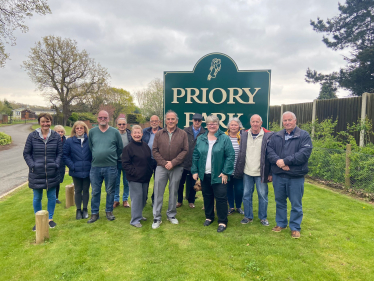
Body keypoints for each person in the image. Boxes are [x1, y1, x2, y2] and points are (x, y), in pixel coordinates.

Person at [267, 111, 313, 239]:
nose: (287, 122)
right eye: (285, 120)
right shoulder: (276, 136)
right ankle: (281, 224)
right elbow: (269, 151)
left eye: (289, 120)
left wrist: (286, 161)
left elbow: (304, 154)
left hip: (295, 177)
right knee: (280, 201)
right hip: (278, 176)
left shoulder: (303, 135)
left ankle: (295, 227)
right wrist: (279, 162)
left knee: (296, 203)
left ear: (295, 121)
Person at [191, 115, 235, 233]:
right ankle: (209, 217)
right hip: (204, 174)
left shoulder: (224, 138)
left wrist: (226, 172)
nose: (212, 125)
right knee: (207, 196)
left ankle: (222, 221)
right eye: (209, 123)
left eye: (214, 123)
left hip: (219, 175)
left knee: (221, 198)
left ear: (218, 124)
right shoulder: (201, 138)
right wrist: (195, 171)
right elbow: (195, 155)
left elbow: (230, 156)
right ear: (206, 125)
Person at [23, 113, 62, 231]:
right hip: (37, 172)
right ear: (39, 122)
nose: (45, 124)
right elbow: (26, 153)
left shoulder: (55, 136)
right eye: (43, 121)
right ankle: (39, 220)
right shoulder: (32, 136)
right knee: (37, 197)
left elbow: (60, 153)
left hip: (52, 171)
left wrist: (56, 164)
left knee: (51, 196)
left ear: (51, 122)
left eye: (48, 121)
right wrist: (32, 165)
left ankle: (50, 219)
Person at [234, 114, 274, 226]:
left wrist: (270, 172)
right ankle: (248, 216)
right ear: (250, 123)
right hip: (247, 171)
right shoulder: (245, 135)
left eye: (257, 122)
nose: (255, 124)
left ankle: (263, 218)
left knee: (262, 195)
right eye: (253, 122)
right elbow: (241, 154)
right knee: (246, 195)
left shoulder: (268, 136)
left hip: (261, 172)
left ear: (261, 123)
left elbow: (271, 156)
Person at [151, 110, 188, 229]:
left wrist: (173, 162)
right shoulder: (159, 133)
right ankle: (157, 217)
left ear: (177, 121)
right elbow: (155, 150)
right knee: (158, 192)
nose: (170, 121)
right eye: (168, 119)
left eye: (173, 119)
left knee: (174, 192)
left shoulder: (183, 134)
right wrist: (164, 163)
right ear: (165, 121)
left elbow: (185, 150)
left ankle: (171, 215)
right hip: (161, 167)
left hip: (176, 167)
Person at [87, 110, 123, 223]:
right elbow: (90, 147)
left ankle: (109, 211)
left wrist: (112, 158)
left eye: (105, 117)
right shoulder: (92, 132)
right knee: (95, 191)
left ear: (108, 119)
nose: (103, 119)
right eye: (100, 117)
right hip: (95, 167)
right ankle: (94, 213)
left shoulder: (115, 132)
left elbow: (120, 148)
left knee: (110, 190)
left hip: (111, 166)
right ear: (97, 119)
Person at [122, 125, 153, 228]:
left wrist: (149, 172)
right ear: (131, 134)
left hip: (145, 178)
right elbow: (125, 164)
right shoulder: (128, 148)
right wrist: (135, 172)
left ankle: (139, 215)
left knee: (143, 198)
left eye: (138, 132)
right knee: (137, 198)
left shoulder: (145, 146)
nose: (137, 134)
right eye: (135, 133)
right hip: (134, 178)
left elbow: (149, 161)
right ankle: (134, 220)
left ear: (142, 134)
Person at [63, 121, 92, 220]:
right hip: (76, 171)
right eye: (77, 128)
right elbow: (65, 155)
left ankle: (85, 209)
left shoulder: (89, 140)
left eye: (81, 128)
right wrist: (72, 166)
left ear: (85, 129)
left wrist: (91, 165)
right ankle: (78, 210)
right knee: (78, 190)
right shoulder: (69, 141)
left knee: (86, 190)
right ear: (74, 129)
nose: (79, 130)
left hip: (88, 170)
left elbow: (93, 153)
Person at [177, 113, 206, 208]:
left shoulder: (204, 132)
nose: (197, 122)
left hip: (196, 163)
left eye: (199, 120)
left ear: (201, 121)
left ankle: (191, 201)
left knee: (193, 183)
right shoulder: (185, 131)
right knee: (180, 182)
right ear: (192, 120)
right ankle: (179, 200)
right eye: (195, 120)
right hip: (184, 161)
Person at [225, 118, 244, 215]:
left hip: (239, 169)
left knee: (239, 189)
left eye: (235, 125)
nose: (233, 127)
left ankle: (239, 206)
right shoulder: (223, 137)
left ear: (239, 127)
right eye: (231, 125)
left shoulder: (243, 137)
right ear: (228, 126)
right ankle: (231, 207)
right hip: (227, 169)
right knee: (229, 189)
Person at [142, 115, 162, 205]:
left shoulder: (163, 132)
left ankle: (154, 199)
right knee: (145, 180)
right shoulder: (145, 131)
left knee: (157, 182)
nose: (154, 122)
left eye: (156, 121)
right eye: (152, 121)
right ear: (150, 122)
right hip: (147, 160)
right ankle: (143, 199)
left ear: (159, 122)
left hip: (158, 160)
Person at [113, 117, 131, 208]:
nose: (121, 126)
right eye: (119, 124)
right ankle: (116, 200)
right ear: (117, 125)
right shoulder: (113, 134)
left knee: (126, 182)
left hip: (127, 162)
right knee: (116, 182)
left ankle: (125, 200)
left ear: (126, 125)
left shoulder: (130, 135)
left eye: (123, 124)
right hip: (116, 162)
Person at [54, 125, 66, 204]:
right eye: (58, 132)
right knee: (53, 182)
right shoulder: (52, 141)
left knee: (58, 182)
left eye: (62, 132)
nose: (60, 133)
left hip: (62, 164)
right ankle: (53, 198)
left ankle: (56, 197)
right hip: (54, 163)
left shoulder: (65, 141)